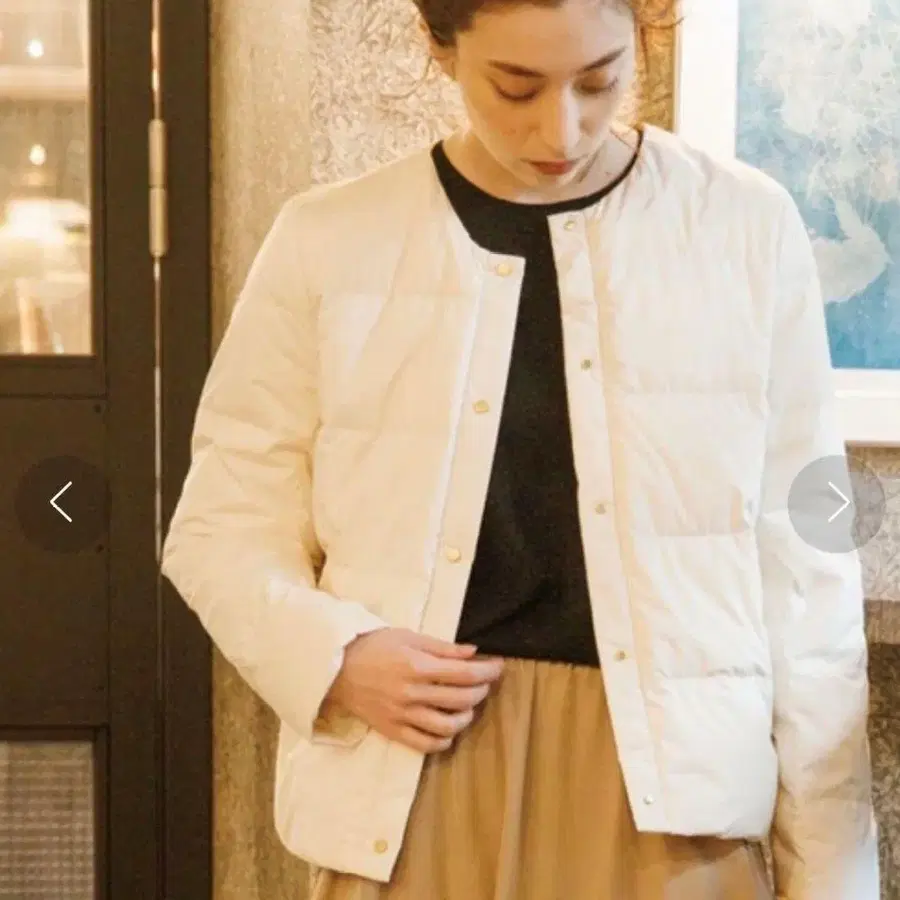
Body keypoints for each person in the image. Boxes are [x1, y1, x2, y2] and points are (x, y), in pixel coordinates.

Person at [161, 0, 880, 897]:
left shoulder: (743, 227)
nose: (562, 129)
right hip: (413, 789)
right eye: (516, 87)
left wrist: (832, 877)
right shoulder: (330, 239)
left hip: (674, 805)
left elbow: (808, 572)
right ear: (439, 46)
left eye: (599, 81)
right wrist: (334, 658)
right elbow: (220, 528)